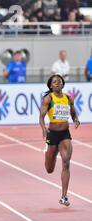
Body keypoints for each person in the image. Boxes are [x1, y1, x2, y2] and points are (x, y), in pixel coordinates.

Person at [39, 74, 80, 206]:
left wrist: (75, 119)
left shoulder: (68, 98)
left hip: (64, 134)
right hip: (52, 135)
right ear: (51, 86)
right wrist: (44, 129)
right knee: (49, 169)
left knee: (66, 163)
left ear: (63, 84)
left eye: (59, 81)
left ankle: (64, 196)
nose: (57, 83)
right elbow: (41, 117)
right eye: (54, 82)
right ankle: (52, 151)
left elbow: (73, 112)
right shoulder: (48, 98)